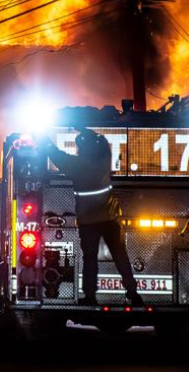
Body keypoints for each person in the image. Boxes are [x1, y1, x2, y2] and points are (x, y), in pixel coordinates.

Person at [43, 130, 143, 307]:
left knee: (90, 259)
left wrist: (43, 138)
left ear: (81, 148)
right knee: (120, 256)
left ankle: (90, 297)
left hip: (89, 222)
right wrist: (85, 129)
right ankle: (133, 293)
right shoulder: (104, 160)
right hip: (110, 218)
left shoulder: (76, 166)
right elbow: (103, 141)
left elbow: (56, 155)